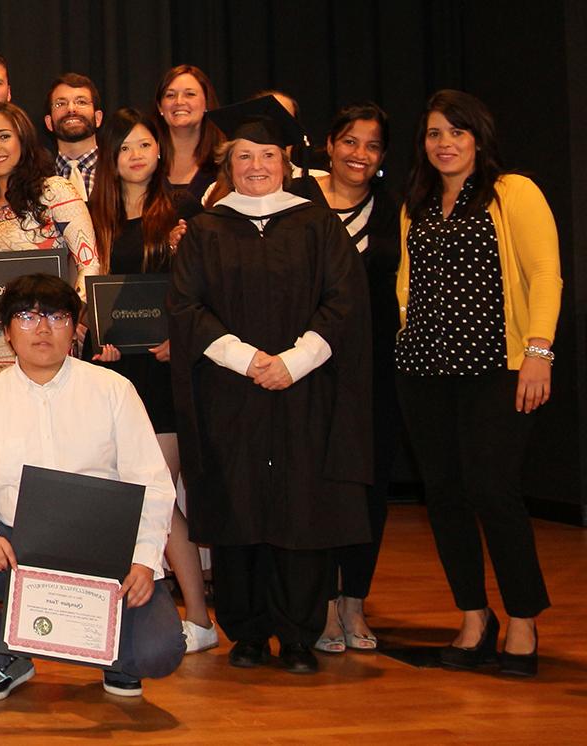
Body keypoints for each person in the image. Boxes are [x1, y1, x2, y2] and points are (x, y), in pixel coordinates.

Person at [167, 100, 372, 676]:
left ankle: (300, 634)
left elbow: (344, 303)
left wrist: (295, 361)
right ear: (228, 163)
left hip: (304, 392)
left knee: (303, 510)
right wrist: (248, 358)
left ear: (286, 161)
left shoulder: (317, 224)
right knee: (239, 507)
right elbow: (186, 308)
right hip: (232, 394)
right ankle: (249, 632)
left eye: (267, 155)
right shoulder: (208, 230)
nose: (256, 166)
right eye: (244, 156)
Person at [0, 272, 184, 701]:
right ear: (6, 332)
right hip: (16, 544)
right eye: (26, 317)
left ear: (75, 328)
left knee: (160, 652)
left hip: (102, 550)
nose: (42, 329)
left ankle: (114, 656)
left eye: (56, 317)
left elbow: (151, 486)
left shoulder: (113, 390)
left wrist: (144, 561)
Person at [396, 90, 559, 677]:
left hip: (498, 367)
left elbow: (545, 274)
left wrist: (538, 352)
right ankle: (472, 616)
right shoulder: (416, 201)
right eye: (435, 134)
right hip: (424, 371)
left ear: (478, 137)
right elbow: (407, 285)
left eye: (456, 133)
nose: (445, 144)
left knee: (493, 490)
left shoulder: (512, 192)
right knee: (443, 496)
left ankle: (522, 619)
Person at [83, 108, 216, 654]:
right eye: (124, 149)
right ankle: (123, 611)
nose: (136, 156)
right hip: (113, 371)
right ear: (110, 161)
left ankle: (201, 617)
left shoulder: (183, 213)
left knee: (155, 497)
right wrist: (97, 341)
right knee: (123, 498)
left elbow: (200, 292)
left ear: (160, 151)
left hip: (163, 373)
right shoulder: (95, 219)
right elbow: (91, 292)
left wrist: (177, 339)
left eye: (144, 145)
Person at [306, 102, 398, 655]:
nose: (359, 154)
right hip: (308, 364)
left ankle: (354, 601)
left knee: (368, 486)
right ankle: (319, 604)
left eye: (371, 145)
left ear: (383, 156)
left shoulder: (396, 210)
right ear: (330, 145)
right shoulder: (301, 204)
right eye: (349, 142)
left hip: (376, 370)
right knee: (314, 483)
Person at [0, 102, 96, 381]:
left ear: (24, 140)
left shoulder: (54, 191)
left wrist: (70, 319)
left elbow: (91, 262)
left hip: (48, 341)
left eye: (4, 136)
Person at [156, 65, 222, 201]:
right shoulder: (145, 163)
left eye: (190, 94)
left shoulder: (225, 164)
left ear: (206, 103)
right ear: (160, 107)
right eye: (170, 95)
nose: (179, 101)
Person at [46, 73, 103, 199]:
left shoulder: (119, 171)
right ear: (49, 122)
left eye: (81, 102)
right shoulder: (36, 179)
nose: (71, 109)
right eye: (60, 104)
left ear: (98, 118)